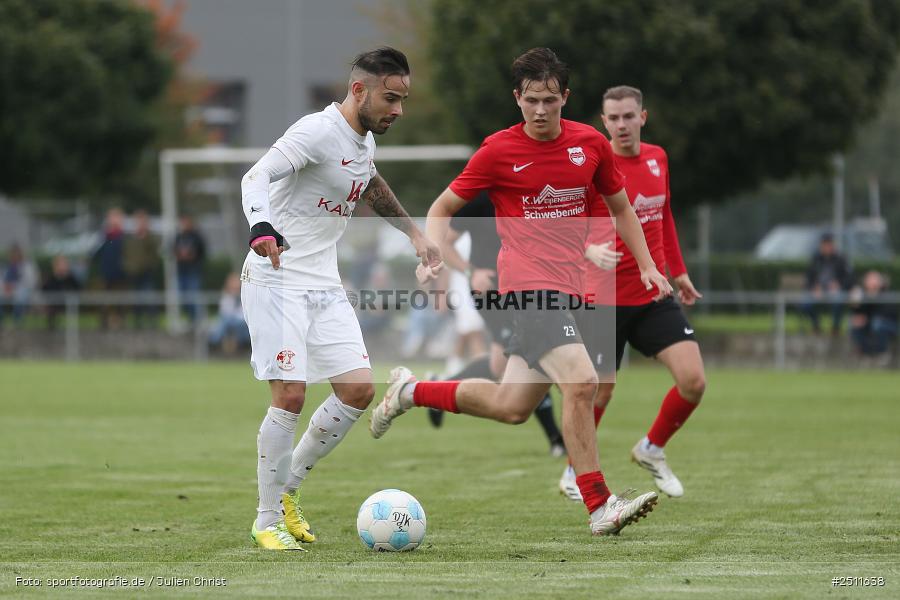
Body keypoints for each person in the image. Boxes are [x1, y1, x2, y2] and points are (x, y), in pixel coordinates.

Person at [369, 48, 672, 537]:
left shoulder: (590, 145)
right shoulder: (497, 151)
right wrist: (433, 256)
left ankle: (410, 391)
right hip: (527, 290)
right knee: (581, 381)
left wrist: (648, 264)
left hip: (567, 289)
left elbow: (620, 208)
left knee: (511, 406)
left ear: (565, 98)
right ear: (517, 98)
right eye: (531, 100)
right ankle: (599, 504)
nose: (540, 110)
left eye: (550, 100)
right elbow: (443, 208)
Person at [239, 47, 441, 550]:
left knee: (357, 391)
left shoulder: (363, 140)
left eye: (403, 99)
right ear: (359, 91)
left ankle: (288, 491)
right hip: (277, 277)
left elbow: (370, 184)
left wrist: (415, 236)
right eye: (391, 98)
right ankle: (266, 521)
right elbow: (255, 176)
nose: (398, 109)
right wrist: (261, 226)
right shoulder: (315, 132)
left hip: (324, 285)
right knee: (289, 394)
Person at [560, 85, 707, 502]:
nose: (622, 124)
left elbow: (663, 215)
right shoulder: (591, 166)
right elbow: (567, 223)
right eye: (614, 118)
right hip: (603, 296)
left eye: (629, 116)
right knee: (599, 390)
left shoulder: (658, 158)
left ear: (643, 117)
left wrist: (676, 271)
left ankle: (652, 448)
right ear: (603, 122)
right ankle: (574, 469)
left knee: (693, 381)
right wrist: (587, 249)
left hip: (652, 290)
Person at [427, 192, 566, 458]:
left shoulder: (531, 194)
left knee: (498, 366)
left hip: (527, 287)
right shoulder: (479, 200)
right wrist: (471, 272)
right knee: (529, 356)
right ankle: (556, 439)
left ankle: (439, 390)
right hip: (490, 291)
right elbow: (444, 242)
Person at [802, 233, 852, 335]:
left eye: (829, 244)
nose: (827, 247)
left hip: (835, 291)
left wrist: (839, 285)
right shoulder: (815, 259)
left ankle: (835, 327)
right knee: (806, 303)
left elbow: (849, 277)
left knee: (839, 300)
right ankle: (816, 325)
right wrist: (814, 287)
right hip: (818, 291)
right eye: (825, 244)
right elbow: (808, 278)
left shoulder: (841, 259)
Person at [849, 270, 897, 362]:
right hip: (869, 324)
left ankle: (881, 353)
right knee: (854, 324)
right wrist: (855, 303)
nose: (872, 283)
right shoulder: (863, 295)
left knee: (877, 323)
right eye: (869, 280)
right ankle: (865, 352)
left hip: (888, 325)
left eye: (874, 280)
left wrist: (874, 297)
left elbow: (889, 313)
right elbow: (858, 312)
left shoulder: (887, 294)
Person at [123, 210, 160, 328]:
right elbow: (126, 254)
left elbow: (154, 252)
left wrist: (145, 235)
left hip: (147, 272)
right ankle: (137, 322)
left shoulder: (151, 237)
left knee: (148, 296)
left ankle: (152, 321)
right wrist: (128, 266)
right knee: (136, 298)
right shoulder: (130, 238)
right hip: (134, 273)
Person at [93, 208, 128, 329]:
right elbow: (97, 254)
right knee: (106, 300)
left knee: (120, 301)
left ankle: (120, 323)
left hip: (121, 275)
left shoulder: (123, 237)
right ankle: (104, 323)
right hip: (107, 274)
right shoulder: (105, 237)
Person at [174, 215, 206, 322]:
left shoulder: (196, 236)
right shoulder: (178, 237)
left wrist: (191, 255)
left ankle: (197, 320)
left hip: (193, 271)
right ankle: (190, 319)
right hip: (182, 271)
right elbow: (173, 249)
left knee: (194, 296)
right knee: (184, 297)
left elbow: (201, 251)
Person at [208, 272, 250, 353]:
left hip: (241, 323)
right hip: (229, 322)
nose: (234, 288)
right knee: (225, 321)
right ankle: (215, 342)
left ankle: (214, 342)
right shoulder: (226, 298)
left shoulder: (244, 297)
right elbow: (224, 312)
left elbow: (243, 314)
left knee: (237, 323)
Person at [41, 255, 82, 330]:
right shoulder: (52, 278)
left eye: (64, 264)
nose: (62, 267)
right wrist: (57, 277)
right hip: (54, 302)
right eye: (60, 264)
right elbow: (45, 289)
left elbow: (78, 288)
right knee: (51, 309)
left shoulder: (71, 278)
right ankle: (51, 328)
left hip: (68, 302)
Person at [1, 244, 37, 327]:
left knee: (20, 297)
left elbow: (31, 282)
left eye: (16, 254)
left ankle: (18, 322)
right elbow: (3, 280)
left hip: (22, 291)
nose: (14, 257)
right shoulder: (6, 267)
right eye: (12, 254)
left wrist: (14, 286)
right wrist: (6, 287)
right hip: (6, 291)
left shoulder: (27, 266)